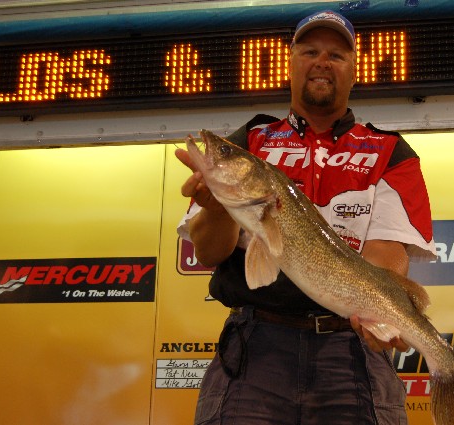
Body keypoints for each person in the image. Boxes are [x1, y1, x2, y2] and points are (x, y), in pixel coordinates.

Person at [176, 10, 435, 425]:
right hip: (255, 348)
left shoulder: (391, 152)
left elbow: (386, 254)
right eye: (310, 51)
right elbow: (208, 252)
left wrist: (380, 315)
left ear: (355, 71)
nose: (322, 62)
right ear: (291, 63)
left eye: (336, 54)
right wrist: (216, 205)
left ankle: (449, 367)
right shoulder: (250, 140)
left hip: (350, 351)